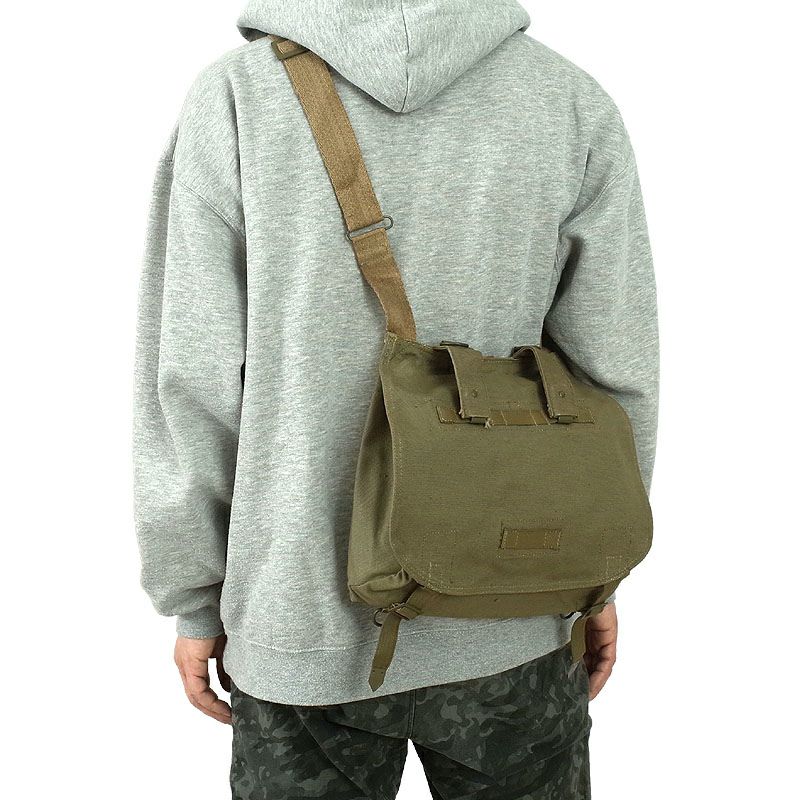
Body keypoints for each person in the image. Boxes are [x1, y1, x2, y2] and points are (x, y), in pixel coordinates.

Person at [133, 1, 658, 797]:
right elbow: (616, 372)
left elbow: (193, 375)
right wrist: (594, 575)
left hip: (297, 613)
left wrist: (194, 597)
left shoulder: (238, 98)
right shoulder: (569, 102)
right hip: (516, 604)